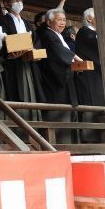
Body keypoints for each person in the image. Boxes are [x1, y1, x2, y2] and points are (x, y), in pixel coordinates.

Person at [38, 8, 83, 143]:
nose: (62, 23)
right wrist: (76, 59)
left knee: (70, 115)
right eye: (59, 20)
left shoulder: (57, 35)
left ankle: (73, 148)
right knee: (59, 118)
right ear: (49, 21)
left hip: (66, 79)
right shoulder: (47, 34)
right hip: (55, 81)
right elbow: (60, 52)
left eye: (64, 20)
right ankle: (63, 147)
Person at [1, 0, 45, 114]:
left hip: (28, 63)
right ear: (6, 4)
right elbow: (2, 40)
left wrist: (34, 50)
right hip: (13, 64)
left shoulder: (26, 22)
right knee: (17, 93)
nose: (19, 2)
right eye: (15, 0)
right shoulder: (3, 20)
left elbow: (35, 40)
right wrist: (11, 51)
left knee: (32, 91)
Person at [75, 8, 105, 142]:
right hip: (89, 75)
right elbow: (96, 44)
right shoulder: (84, 32)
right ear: (88, 19)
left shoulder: (95, 33)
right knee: (93, 104)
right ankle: (92, 138)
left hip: (98, 74)